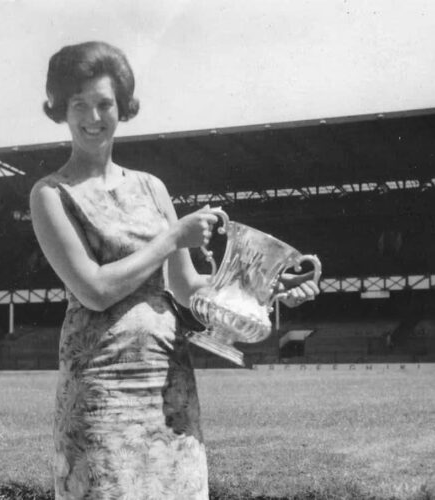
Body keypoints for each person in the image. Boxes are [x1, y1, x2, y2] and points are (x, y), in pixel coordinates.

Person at [30, 41, 319, 500]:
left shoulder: (152, 188)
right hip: (101, 391)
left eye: (104, 103)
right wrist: (171, 238)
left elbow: (186, 289)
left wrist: (263, 288)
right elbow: (94, 290)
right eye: (78, 104)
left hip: (168, 383)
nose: (93, 116)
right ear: (61, 110)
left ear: (122, 108)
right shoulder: (50, 194)